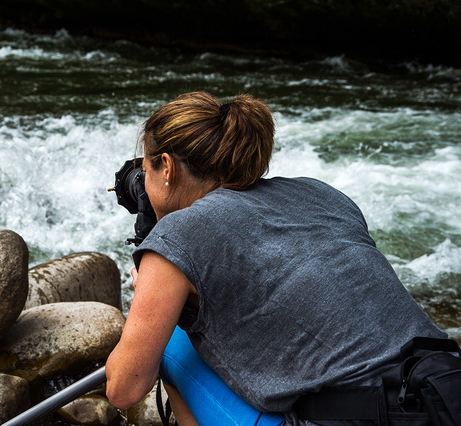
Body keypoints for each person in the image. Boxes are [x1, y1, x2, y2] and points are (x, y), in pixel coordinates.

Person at [104, 91, 450, 425]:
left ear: (166, 167)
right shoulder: (320, 192)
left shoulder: (179, 235)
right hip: (442, 387)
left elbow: (124, 389)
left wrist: (150, 289)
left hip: (361, 416)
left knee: (172, 347)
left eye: (146, 170)